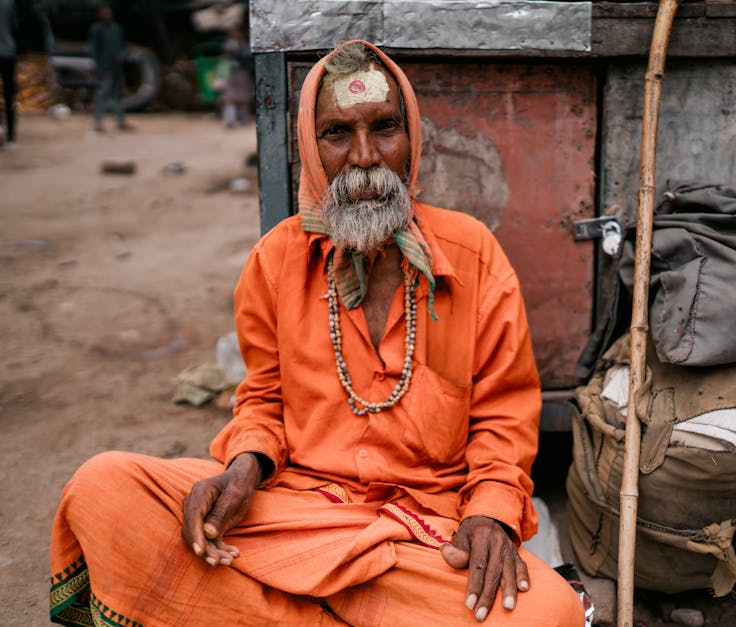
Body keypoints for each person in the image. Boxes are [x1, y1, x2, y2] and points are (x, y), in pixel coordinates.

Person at [49, 39, 585, 626]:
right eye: (336, 133)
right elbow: (262, 398)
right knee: (105, 487)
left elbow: (504, 418)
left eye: (384, 128)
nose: (363, 157)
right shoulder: (275, 259)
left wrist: (490, 515)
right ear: (309, 146)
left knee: (547, 613)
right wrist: (243, 466)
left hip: (423, 531)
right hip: (295, 510)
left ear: (412, 142)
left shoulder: (472, 252)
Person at [88, 5, 129, 132]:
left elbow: (123, 45)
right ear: (100, 15)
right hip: (104, 68)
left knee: (117, 94)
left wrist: (122, 55)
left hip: (117, 68)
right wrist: (97, 68)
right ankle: (97, 123)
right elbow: (94, 50)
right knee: (101, 95)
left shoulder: (116, 28)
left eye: (109, 13)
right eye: (105, 13)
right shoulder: (96, 29)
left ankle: (121, 121)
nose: (107, 15)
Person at [221, 26, 253, 128]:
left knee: (244, 98)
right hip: (231, 74)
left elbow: (248, 59)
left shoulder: (245, 45)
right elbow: (225, 59)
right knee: (229, 97)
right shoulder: (228, 45)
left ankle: (244, 119)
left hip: (243, 73)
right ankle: (230, 120)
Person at [0, 0, 16, 148]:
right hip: (8, 54)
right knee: (9, 96)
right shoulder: (9, 3)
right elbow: (15, 27)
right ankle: (11, 138)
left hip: (7, 52)